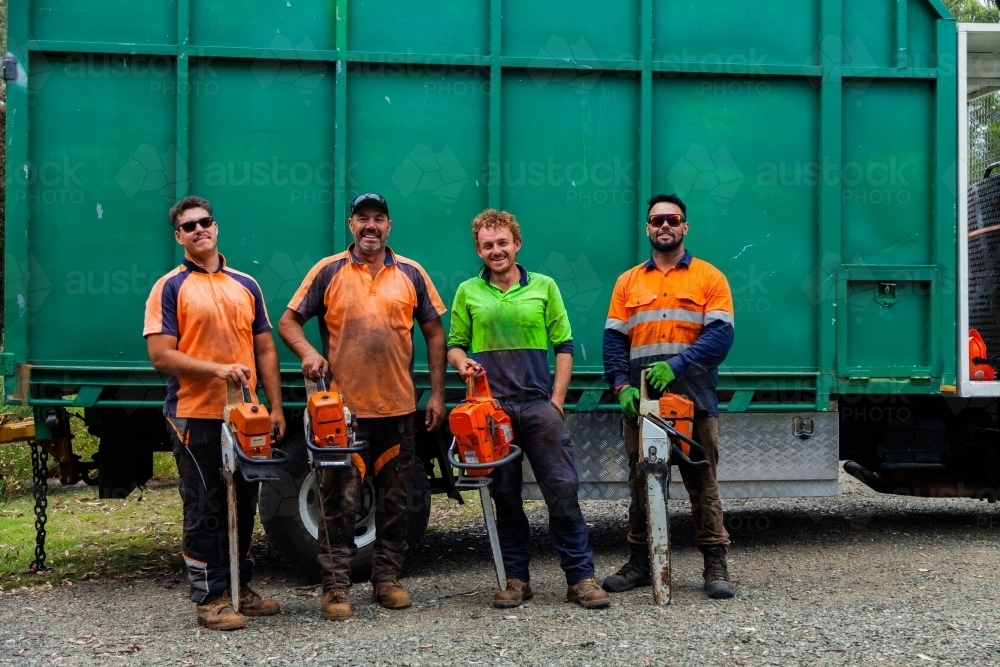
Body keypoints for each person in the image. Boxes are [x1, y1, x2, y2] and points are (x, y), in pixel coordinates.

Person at [278, 192, 447, 621]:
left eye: (379, 218)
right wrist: (306, 353)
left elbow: (435, 334)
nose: (371, 226)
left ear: (390, 226)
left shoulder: (411, 272)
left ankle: (387, 579)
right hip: (343, 415)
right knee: (337, 500)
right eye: (362, 218)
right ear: (351, 224)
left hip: (398, 409)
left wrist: (439, 394)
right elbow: (287, 322)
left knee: (396, 500)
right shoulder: (329, 270)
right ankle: (335, 588)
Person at [447, 209, 610, 610]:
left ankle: (580, 578)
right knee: (505, 497)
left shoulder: (545, 287)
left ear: (517, 244)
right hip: (492, 415)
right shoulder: (468, 291)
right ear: (479, 249)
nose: (496, 250)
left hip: (539, 409)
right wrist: (461, 362)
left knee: (562, 491)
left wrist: (556, 402)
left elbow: (565, 346)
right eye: (488, 245)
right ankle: (516, 580)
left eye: (503, 242)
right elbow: (454, 343)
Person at [145, 195, 286, 631]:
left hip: (245, 416)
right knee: (205, 507)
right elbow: (161, 356)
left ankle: (240, 588)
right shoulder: (169, 287)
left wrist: (274, 405)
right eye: (189, 226)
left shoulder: (245, 284)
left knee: (242, 503)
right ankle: (210, 599)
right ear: (179, 237)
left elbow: (264, 346)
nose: (199, 229)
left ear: (216, 226)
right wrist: (217, 369)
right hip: (193, 414)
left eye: (204, 222)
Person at [601, 193, 736, 599]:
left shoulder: (709, 278)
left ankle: (715, 566)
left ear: (684, 227)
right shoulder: (628, 282)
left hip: (695, 402)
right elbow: (613, 341)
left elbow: (720, 337)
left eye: (672, 219)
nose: (664, 226)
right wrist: (622, 386)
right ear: (647, 228)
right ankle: (641, 564)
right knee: (642, 485)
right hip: (643, 405)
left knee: (703, 483)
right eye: (656, 220)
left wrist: (676, 366)